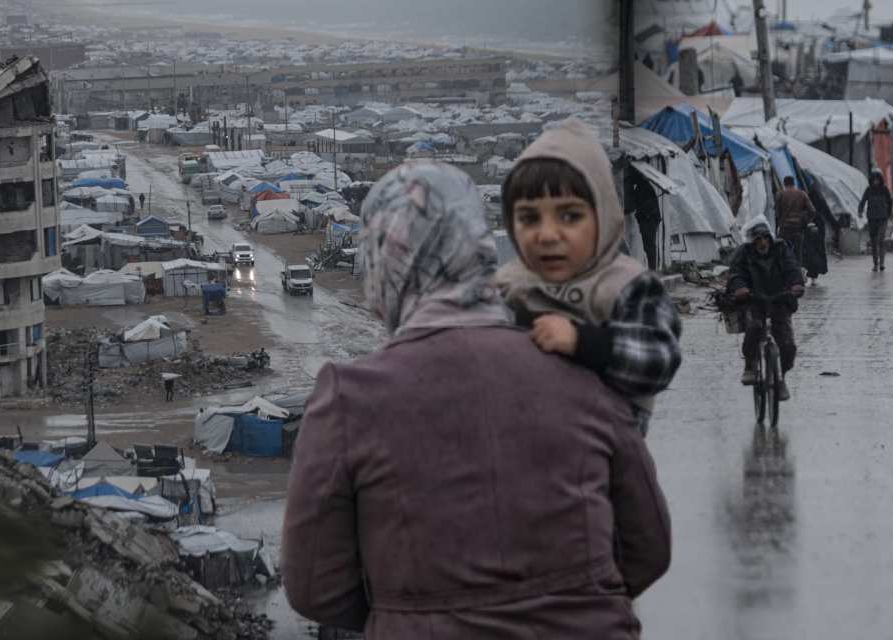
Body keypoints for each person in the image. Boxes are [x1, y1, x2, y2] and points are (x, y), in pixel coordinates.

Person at [282, 161, 672, 638]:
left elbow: (313, 588)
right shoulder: (580, 370)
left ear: (386, 258)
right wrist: (575, 600)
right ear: (482, 248)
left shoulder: (349, 397)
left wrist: (407, 612)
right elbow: (648, 546)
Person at [496, 117, 683, 437]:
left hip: (607, 459)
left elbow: (658, 359)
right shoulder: (507, 286)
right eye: (529, 218)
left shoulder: (626, 285)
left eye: (569, 216)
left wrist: (582, 341)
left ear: (604, 216)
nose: (548, 235)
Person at [726, 217, 804, 401]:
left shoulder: (781, 248)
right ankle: (750, 365)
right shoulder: (744, 253)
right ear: (752, 241)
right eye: (757, 239)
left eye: (765, 238)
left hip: (779, 299)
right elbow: (736, 273)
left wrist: (796, 284)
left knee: (787, 345)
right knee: (754, 327)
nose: (762, 243)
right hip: (754, 299)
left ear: (770, 238)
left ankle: (781, 378)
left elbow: (792, 267)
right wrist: (740, 288)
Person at [774, 175, 817, 278]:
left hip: (784, 229)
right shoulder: (802, 194)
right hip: (798, 229)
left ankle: (784, 275)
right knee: (798, 254)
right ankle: (797, 277)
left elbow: (777, 213)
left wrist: (779, 224)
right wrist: (804, 221)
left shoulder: (780, 194)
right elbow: (812, 211)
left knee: (782, 252)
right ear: (794, 183)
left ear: (784, 184)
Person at [802, 172, 840, 284]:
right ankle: (813, 275)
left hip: (808, 225)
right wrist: (835, 224)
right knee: (816, 250)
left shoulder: (804, 193)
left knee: (809, 250)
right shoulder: (816, 194)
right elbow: (826, 210)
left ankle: (810, 273)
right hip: (817, 225)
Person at [857, 169, 893, 271]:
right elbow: (863, 201)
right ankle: (875, 263)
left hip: (882, 218)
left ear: (880, 180)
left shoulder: (884, 189)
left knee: (881, 240)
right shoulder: (869, 190)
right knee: (873, 241)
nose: (875, 182)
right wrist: (860, 211)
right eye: (874, 180)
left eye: (877, 180)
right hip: (872, 218)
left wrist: (889, 213)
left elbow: (890, 201)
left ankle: (882, 263)